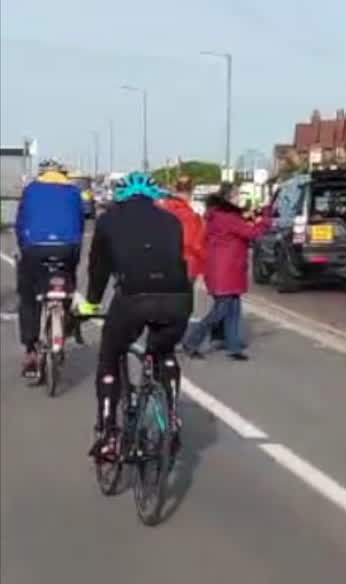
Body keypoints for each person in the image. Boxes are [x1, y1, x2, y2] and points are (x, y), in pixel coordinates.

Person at [79, 172, 193, 459]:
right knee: (164, 351)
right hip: (178, 298)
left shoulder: (108, 220)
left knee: (111, 353)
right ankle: (172, 418)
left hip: (133, 298)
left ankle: (108, 434)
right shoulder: (171, 220)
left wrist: (91, 303)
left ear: (120, 196)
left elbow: (99, 269)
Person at [14, 159, 84, 376]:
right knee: (68, 278)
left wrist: (23, 246)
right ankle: (68, 313)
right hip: (67, 248)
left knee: (28, 295)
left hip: (35, 248)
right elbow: (80, 224)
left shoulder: (31, 190)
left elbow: (20, 223)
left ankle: (30, 350)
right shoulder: (74, 191)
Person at [181, 183, 268, 361]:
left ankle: (233, 345)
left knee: (233, 307)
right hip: (225, 270)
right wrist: (266, 221)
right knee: (221, 310)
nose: (239, 199)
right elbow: (250, 233)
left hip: (225, 268)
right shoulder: (228, 218)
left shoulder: (219, 216)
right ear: (229, 198)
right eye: (237, 196)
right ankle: (192, 342)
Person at [156, 175, 206, 283]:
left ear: (175, 189)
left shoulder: (160, 210)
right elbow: (195, 245)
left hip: (160, 265)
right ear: (191, 191)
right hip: (185, 268)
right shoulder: (191, 217)